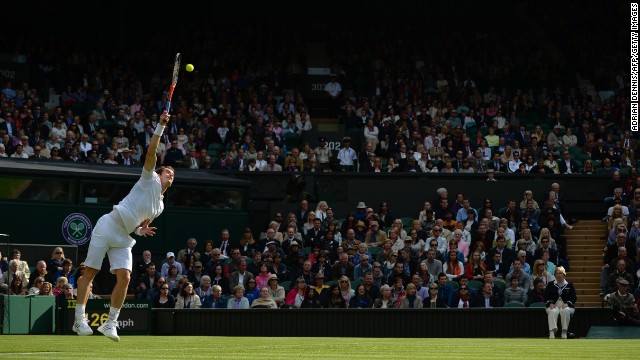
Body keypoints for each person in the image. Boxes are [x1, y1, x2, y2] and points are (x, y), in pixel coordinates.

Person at [73, 110, 175, 341]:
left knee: (125, 278)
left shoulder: (159, 207)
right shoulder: (148, 179)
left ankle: (110, 324)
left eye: (172, 175)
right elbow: (151, 151)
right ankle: (79, 321)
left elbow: (138, 225)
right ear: (158, 175)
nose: (170, 175)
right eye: (167, 172)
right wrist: (160, 126)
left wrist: (142, 230)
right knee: (90, 272)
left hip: (123, 237)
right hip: (107, 226)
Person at [543, 266, 577, 339]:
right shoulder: (550, 284)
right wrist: (550, 303)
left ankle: (564, 332)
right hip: (554, 305)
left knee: (565, 311)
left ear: (564, 274)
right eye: (557, 273)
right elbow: (546, 296)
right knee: (552, 311)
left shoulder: (569, 285)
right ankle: (552, 332)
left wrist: (567, 303)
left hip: (566, 306)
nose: (558, 275)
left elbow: (574, 297)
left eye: (560, 273)